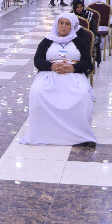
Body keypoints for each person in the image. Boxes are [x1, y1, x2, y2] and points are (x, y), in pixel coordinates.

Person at [20, 13, 96, 146]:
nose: (63, 27)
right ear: (56, 24)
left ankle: (81, 136)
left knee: (82, 95)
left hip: (74, 76)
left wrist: (73, 68)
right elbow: (37, 60)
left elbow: (87, 63)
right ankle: (44, 133)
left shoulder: (79, 42)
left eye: (67, 24)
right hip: (49, 75)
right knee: (37, 92)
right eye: (61, 23)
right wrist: (52, 66)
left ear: (72, 27)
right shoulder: (47, 41)